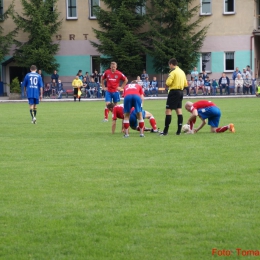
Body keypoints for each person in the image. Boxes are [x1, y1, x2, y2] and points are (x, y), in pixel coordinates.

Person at [159, 58, 188, 136]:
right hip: (181, 92)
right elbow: (186, 84)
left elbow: (168, 82)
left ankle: (165, 131)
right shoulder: (182, 72)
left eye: (169, 65)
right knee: (179, 110)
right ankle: (178, 131)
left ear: (171, 64)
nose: (169, 67)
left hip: (174, 92)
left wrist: (168, 85)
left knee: (168, 111)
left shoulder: (173, 72)